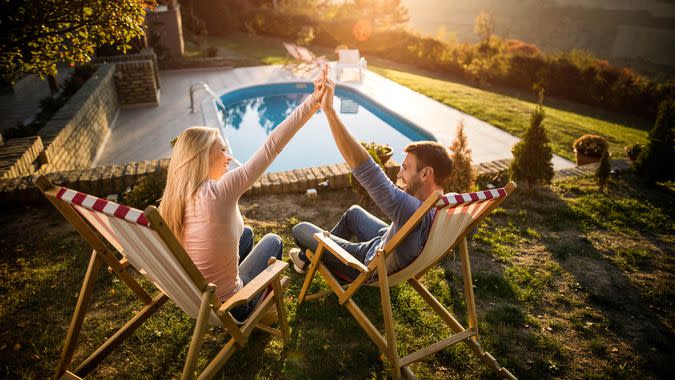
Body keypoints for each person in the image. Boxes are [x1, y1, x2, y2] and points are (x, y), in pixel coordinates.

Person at [159, 67, 329, 322]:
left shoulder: (176, 198)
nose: (228, 157)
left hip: (200, 299)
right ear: (202, 157)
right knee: (273, 240)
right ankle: (262, 310)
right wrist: (312, 102)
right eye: (223, 150)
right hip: (233, 306)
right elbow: (273, 145)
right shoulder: (220, 192)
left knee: (247, 233)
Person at [290, 75, 453, 281]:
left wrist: (330, 111)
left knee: (301, 229)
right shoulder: (444, 207)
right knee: (354, 213)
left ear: (426, 173)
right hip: (386, 247)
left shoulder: (411, 209)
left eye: (405, 168)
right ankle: (309, 257)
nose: (400, 174)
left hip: (368, 267)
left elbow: (367, 171)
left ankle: (310, 257)